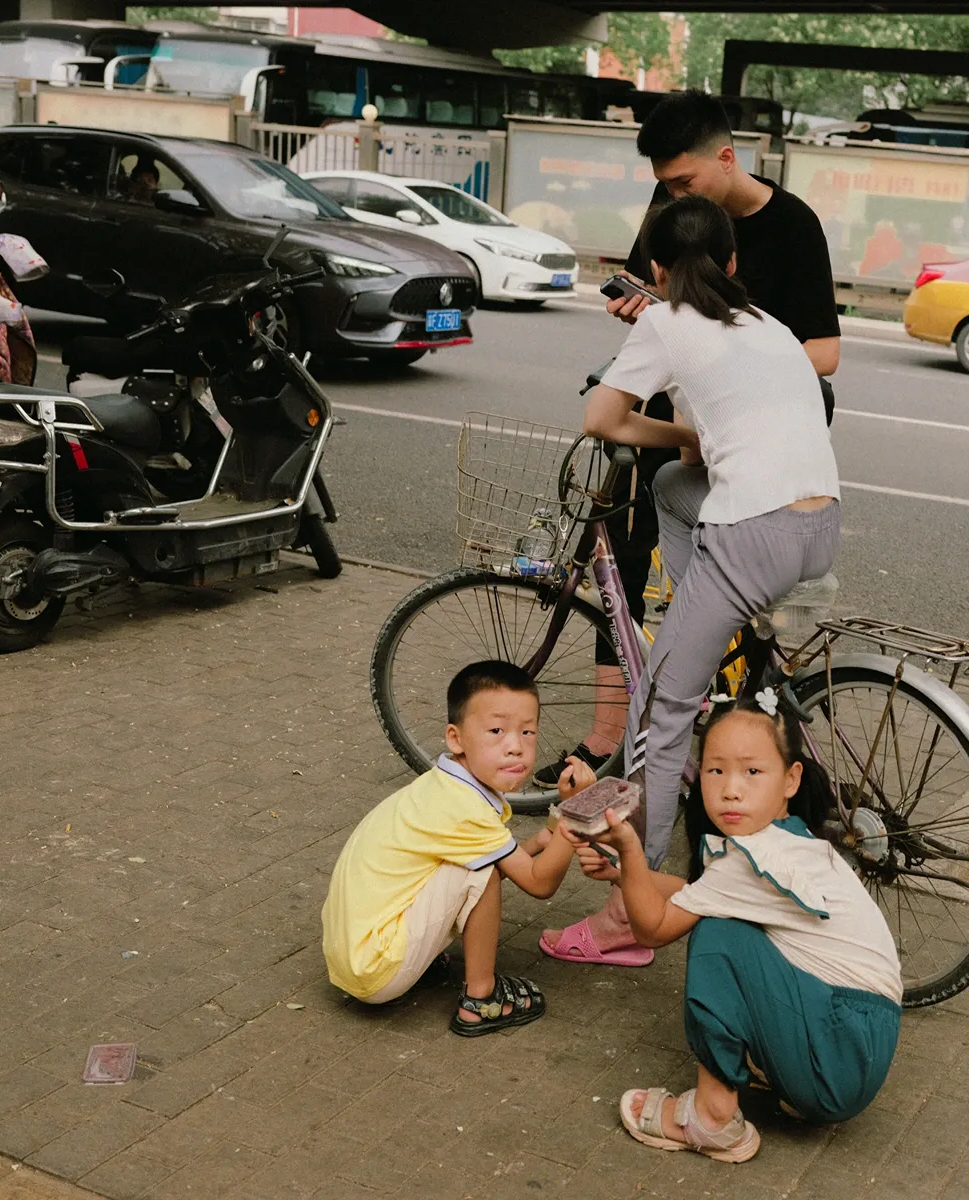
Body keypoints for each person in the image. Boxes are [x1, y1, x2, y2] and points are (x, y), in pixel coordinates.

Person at [540, 194, 840, 967]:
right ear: (734, 263)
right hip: (818, 529)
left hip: (755, 536)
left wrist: (677, 431)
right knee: (675, 486)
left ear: (659, 271)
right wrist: (694, 443)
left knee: (660, 708)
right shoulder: (766, 324)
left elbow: (601, 420)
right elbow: (700, 460)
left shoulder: (664, 320)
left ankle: (625, 917)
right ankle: (703, 614)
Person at [533, 90, 840, 791]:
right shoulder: (671, 216)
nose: (670, 198)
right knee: (625, 563)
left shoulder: (793, 226)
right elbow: (659, 297)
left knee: (732, 603)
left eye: (682, 183)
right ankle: (608, 743)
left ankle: (742, 744)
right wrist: (645, 312)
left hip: (746, 452)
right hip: (667, 426)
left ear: (726, 158)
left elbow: (823, 353)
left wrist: (717, 331)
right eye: (663, 187)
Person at [562, 695, 902, 1161]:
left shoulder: (746, 861)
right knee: (719, 919)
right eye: (715, 770)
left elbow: (653, 929)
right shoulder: (787, 838)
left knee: (717, 936)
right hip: (857, 1044)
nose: (730, 789)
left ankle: (713, 1118)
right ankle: (785, 1070)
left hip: (840, 1051)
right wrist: (626, 871)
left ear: (791, 779)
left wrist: (630, 848)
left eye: (752, 772)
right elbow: (697, 891)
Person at [321, 660, 593, 1033]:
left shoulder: (447, 786)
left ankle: (423, 958)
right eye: (496, 730)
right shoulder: (464, 809)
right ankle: (481, 999)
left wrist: (545, 838)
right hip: (375, 967)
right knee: (479, 871)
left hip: (354, 955)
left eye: (528, 732)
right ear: (456, 738)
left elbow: (508, 859)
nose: (515, 747)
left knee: (481, 863)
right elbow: (539, 884)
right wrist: (574, 814)